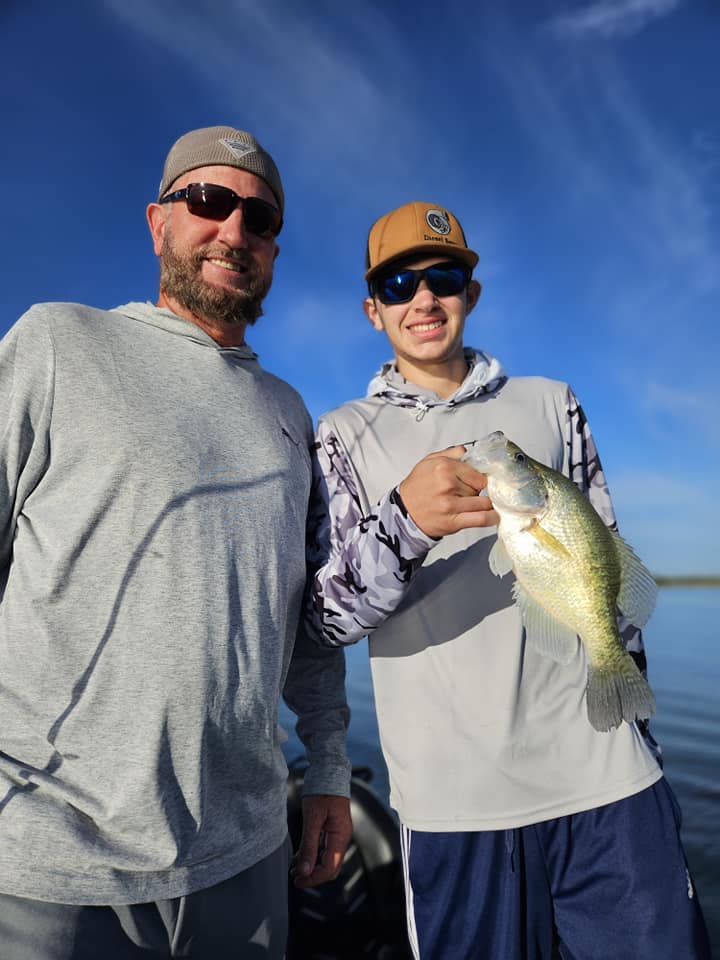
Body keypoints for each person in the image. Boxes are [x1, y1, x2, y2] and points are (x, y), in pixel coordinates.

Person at [306, 201, 712, 959]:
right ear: (373, 310)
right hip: (456, 808)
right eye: (399, 285)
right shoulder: (340, 433)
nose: (424, 298)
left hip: (610, 783)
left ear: (472, 292)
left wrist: (642, 734)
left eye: (444, 276)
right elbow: (324, 618)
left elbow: (606, 563)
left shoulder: (552, 401)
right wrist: (407, 522)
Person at [0, 125, 352, 959]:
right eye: (210, 202)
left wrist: (330, 766)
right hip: (50, 862)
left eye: (258, 217)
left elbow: (305, 615)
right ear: (159, 221)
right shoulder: (58, 341)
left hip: (248, 854)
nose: (234, 229)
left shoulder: (291, 412)